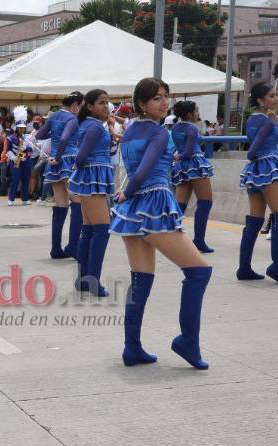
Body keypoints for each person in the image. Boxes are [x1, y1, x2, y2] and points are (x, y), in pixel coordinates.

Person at [111, 78, 212, 370]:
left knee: (141, 281)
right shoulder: (158, 133)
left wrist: (124, 196)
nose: (164, 102)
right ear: (142, 103)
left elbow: (131, 171)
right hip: (154, 204)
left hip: (133, 211)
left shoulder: (129, 133)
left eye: (165, 96)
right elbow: (141, 173)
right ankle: (187, 343)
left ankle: (132, 348)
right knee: (199, 272)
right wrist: (126, 194)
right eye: (156, 98)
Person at [238, 82, 278, 284]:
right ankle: (277, 268)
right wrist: (270, 125)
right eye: (271, 95)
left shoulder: (252, 119)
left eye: (276, 95)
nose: (276, 99)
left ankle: (244, 268)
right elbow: (252, 152)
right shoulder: (267, 121)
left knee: (255, 221)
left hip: (254, 174)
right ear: (261, 100)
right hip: (268, 168)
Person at [69, 89, 115, 297]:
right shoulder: (94, 127)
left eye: (107, 103)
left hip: (90, 180)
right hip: (92, 181)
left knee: (88, 230)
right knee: (102, 229)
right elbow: (80, 157)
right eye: (101, 103)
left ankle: (84, 279)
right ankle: (93, 280)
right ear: (89, 106)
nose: (106, 107)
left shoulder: (90, 125)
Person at [34, 94, 84, 258]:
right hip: (67, 160)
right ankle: (73, 247)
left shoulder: (54, 116)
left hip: (54, 162)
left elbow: (39, 135)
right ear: (75, 104)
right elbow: (64, 138)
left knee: (61, 204)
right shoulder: (72, 119)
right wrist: (59, 154)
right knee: (77, 201)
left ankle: (56, 249)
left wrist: (54, 139)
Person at [170, 101, 216, 253]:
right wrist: (181, 156)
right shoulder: (191, 128)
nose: (198, 113)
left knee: (180, 204)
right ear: (189, 113)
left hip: (182, 167)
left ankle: (173, 238)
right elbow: (189, 151)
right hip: (195, 164)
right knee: (205, 202)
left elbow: (180, 149)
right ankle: (199, 240)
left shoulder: (175, 127)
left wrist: (178, 158)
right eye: (196, 110)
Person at [5, 106, 33, 207]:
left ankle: (25, 199)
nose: (22, 129)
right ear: (16, 127)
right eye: (20, 127)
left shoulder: (27, 137)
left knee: (26, 179)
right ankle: (11, 199)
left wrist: (27, 148)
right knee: (15, 179)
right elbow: (8, 150)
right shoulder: (11, 138)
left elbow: (31, 150)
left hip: (26, 161)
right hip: (15, 161)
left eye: (23, 127)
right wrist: (15, 158)